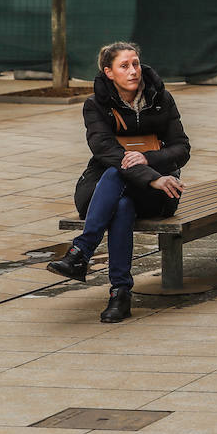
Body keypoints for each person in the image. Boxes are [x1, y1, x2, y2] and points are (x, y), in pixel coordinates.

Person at [47, 42, 189, 323]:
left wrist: (148, 161)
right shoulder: (95, 105)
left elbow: (181, 148)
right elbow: (106, 152)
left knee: (121, 179)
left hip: (158, 194)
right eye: (124, 66)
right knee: (120, 197)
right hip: (104, 188)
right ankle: (120, 294)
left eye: (135, 63)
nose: (133, 70)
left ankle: (81, 252)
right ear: (108, 72)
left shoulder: (161, 99)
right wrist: (154, 179)